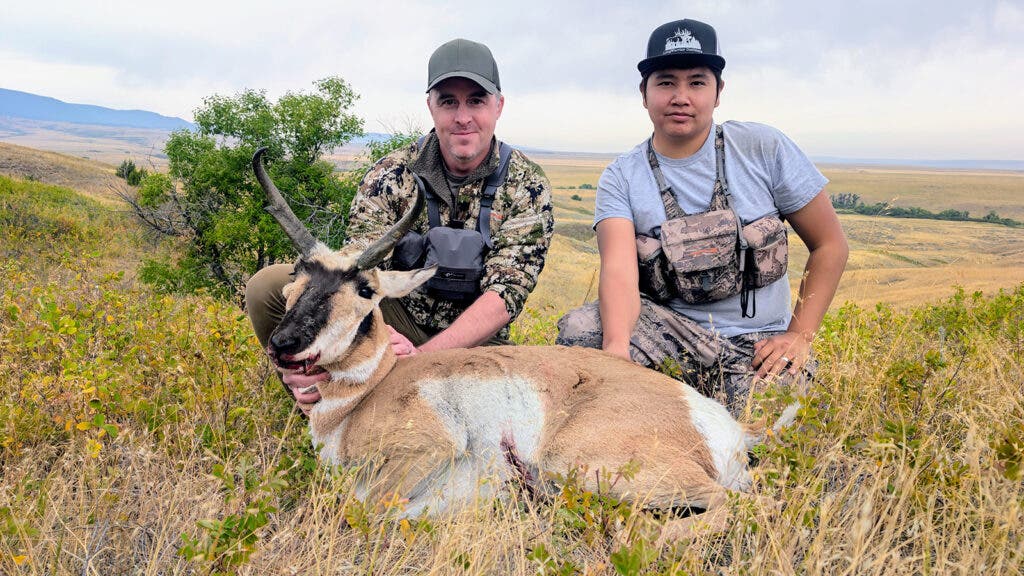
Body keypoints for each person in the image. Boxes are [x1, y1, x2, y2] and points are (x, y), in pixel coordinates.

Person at [556, 19, 848, 418]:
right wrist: (617, 355)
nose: (681, 97)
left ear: (718, 91)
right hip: (670, 333)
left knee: (769, 432)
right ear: (644, 94)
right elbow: (619, 272)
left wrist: (799, 335)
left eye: (696, 82)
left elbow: (830, 245)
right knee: (581, 332)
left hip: (758, 342)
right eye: (665, 82)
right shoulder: (621, 176)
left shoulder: (763, 148)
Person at [247, 38, 554, 413]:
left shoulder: (526, 184)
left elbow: (506, 294)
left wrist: (421, 357)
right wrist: (365, 340)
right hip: (394, 326)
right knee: (268, 287)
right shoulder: (391, 173)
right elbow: (355, 264)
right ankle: (313, 401)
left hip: (476, 345)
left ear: (498, 105)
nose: (462, 117)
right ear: (430, 106)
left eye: (476, 100)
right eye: (448, 101)